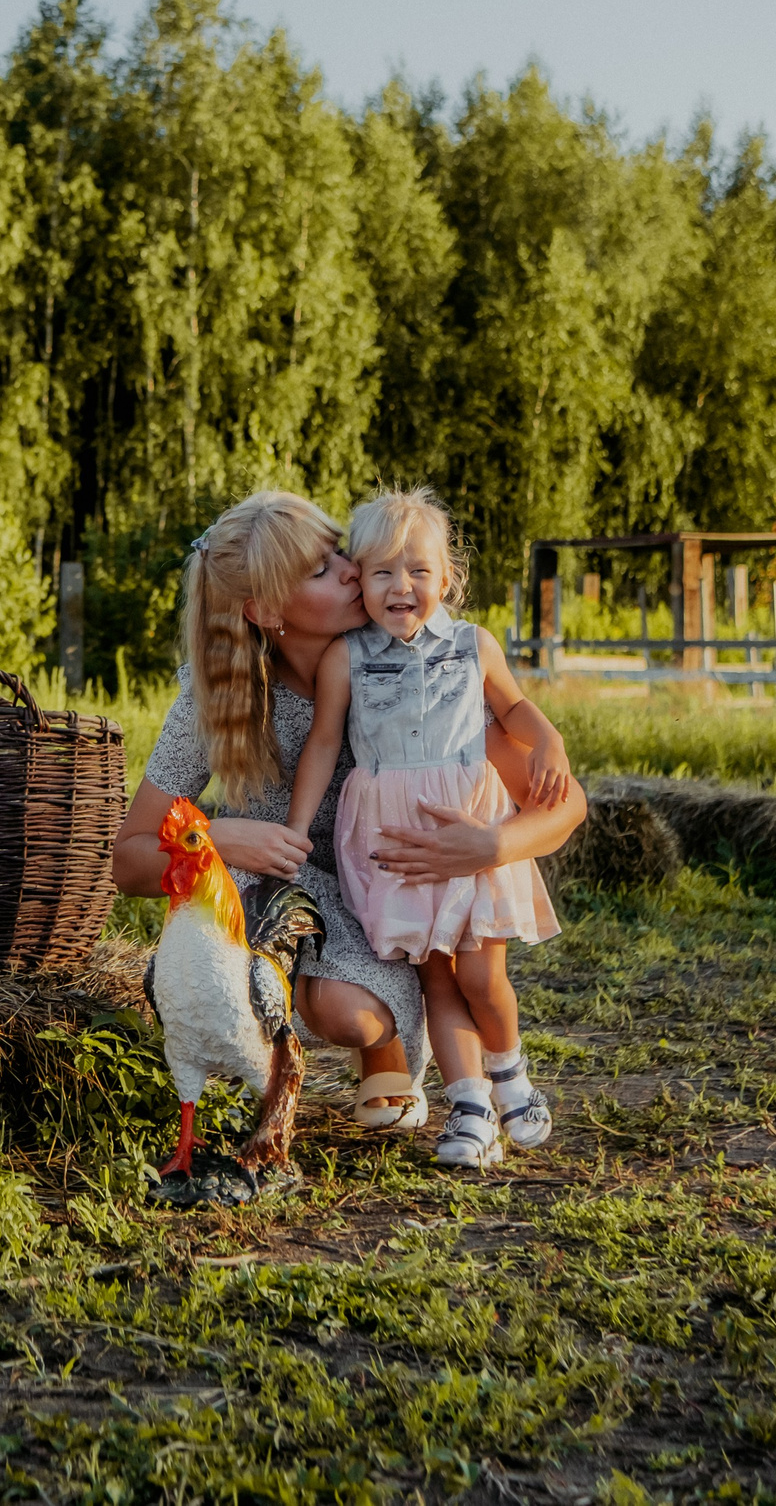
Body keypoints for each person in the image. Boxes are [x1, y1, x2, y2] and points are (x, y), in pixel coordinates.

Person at [109, 489, 585, 1141]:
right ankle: (260, 1060)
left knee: (349, 1009)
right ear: (267, 609)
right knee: (209, 984)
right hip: (270, 886)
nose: (353, 570)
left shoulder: (407, 664)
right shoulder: (221, 695)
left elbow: (565, 803)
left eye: (340, 552)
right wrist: (218, 837)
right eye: (321, 568)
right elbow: (129, 858)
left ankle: (385, 1047)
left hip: (379, 896)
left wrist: (491, 846)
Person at [285, 486, 566, 1170]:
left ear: (446, 577)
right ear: (360, 580)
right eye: (381, 571)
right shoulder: (345, 658)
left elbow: (517, 708)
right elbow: (324, 743)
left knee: (481, 971)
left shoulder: (474, 646)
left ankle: (510, 1075)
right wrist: (295, 830)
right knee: (439, 979)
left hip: (469, 827)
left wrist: (550, 742)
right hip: (396, 843)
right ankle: (468, 1107)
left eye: (417, 570)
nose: (400, 586)